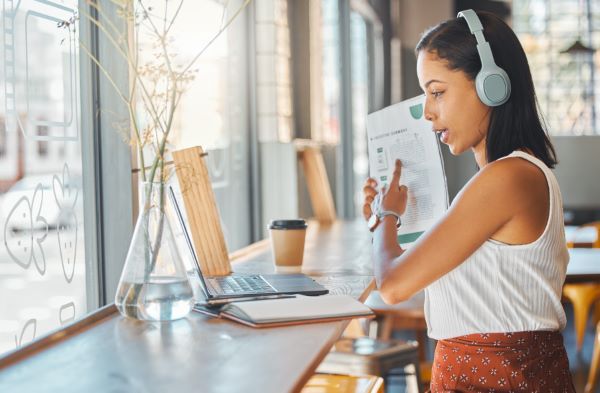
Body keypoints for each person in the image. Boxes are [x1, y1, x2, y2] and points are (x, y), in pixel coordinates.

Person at [362, 10, 575, 392]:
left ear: (491, 85)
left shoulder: (508, 178)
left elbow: (392, 286)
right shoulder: (506, 177)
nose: (427, 113)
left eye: (437, 92)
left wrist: (387, 215)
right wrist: (385, 221)